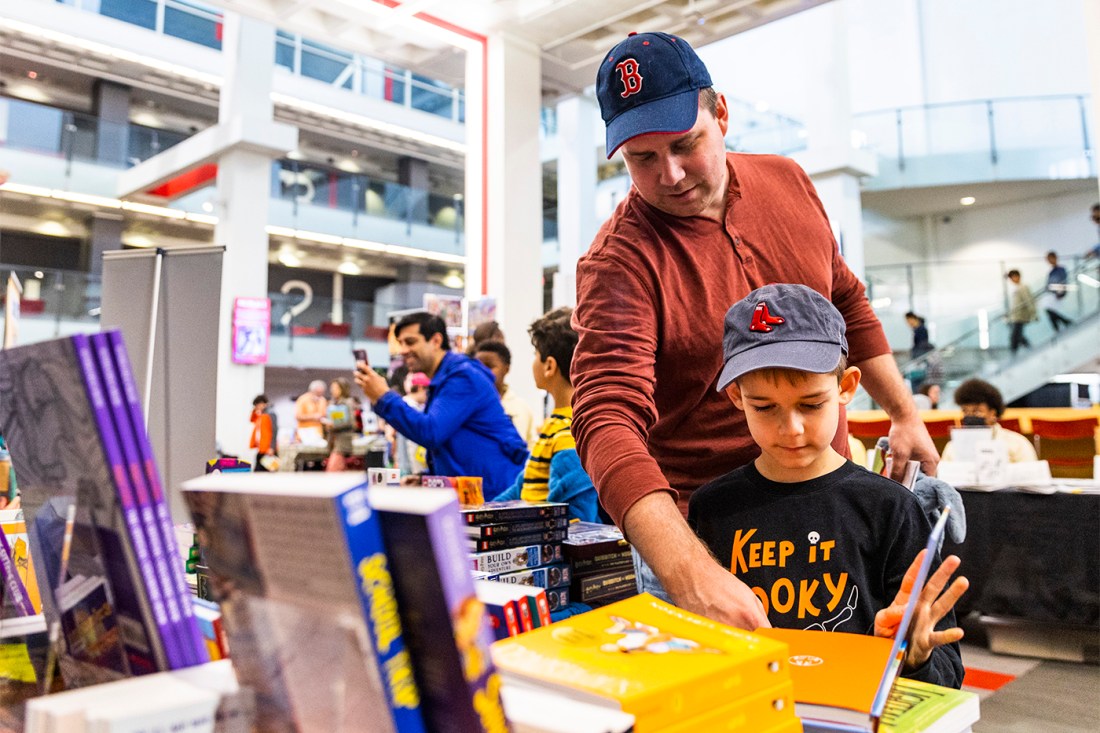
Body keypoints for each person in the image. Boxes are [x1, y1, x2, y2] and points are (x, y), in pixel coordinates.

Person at [570, 31, 938, 630]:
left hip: (831, 503)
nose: (669, 174)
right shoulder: (619, 263)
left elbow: (843, 295)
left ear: (721, 114)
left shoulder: (788, 181)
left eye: (685, 143)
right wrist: (687, 570)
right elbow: (606, 415)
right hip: (707, 537)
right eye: (642, 158)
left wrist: (903, 411)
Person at [688, 284, 966, 687]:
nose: (791, 428)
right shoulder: (712, 508)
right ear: (736, 396)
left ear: (846, 387)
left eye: (811, 404)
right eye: (764, 407)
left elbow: (946, 673)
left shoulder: (891, 509)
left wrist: (913, 656)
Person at [354, 312, 527, 498]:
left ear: (436, 340)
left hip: (497, 500)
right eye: (401, 343)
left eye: (410, 342)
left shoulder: (463, 377)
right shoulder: (445, 381)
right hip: (478, 497)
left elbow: (431, 432)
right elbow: (455, 447)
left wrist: (384, 397)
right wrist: (428, 479)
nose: (403, 350)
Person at [494, 307, 601, 523]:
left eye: (536, 355)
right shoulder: (558, 424)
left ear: (549, 366)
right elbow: (522, 488)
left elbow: (578, 518)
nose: (533, 361)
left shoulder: (569, 433)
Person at [941, 378, 1037, 463]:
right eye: (965, 411)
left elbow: (1032, 475)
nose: (970, 416)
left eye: (977, 411)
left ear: (993, 413)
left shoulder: (1016, 444)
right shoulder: (953, 447)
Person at [474, 340, 538, 447]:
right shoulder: (468, 405)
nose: (483, 371)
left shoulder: (520, 408)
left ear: (506, 369)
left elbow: (531, 449)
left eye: (489, 366)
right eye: (478, 366)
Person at [394, 372, 430, 476]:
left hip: (405, 465)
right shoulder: (410, 409)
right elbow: (412, 445)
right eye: (427, 391)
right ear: (420, 388)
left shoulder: (405, 406)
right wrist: (418, 473)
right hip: (410, 468)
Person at [324, 377, 358, 472]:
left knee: (332, 469)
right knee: (339, 469)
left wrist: (333, 425)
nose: (332, 390)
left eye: (335, 388)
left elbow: (351, 423)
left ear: (342, 389)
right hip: (333, 440)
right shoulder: (332, 403)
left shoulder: (348, 403)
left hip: (343, 441)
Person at [1005, 269, 1037, 355]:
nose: (1011, 280)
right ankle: (1028, 348)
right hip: (1016, 316)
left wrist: (1033, 313)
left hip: (1020, 315)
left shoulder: (1023, 287)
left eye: (1012, 278)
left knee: (1014, 336)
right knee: (1017, 335)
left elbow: (1028, 300)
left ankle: (1014, 354)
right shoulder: (1017, 288)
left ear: (1017, 276)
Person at [1042, 251, 1072, 331]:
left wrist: (1060, 293)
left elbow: (1063, 281)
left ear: (1055, 258)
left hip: (1058, 293)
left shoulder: (1061, 269)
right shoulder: (1051, 272)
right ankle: (1063, 323)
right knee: (1048, 310)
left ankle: (1062, 324)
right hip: (1052, 294)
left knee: (1049, 310)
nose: (1049, 261)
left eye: (1050, 259)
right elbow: (1048, 285)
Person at [249, 395, 276, 471]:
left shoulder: (270, 414)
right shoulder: (260, 415)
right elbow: (252, 419)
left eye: (257, 406)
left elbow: (274, 431)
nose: (256, 408)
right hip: (261, 448)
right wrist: (255, 410)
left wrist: (272, 447)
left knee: (262, 471)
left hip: (268, 449)